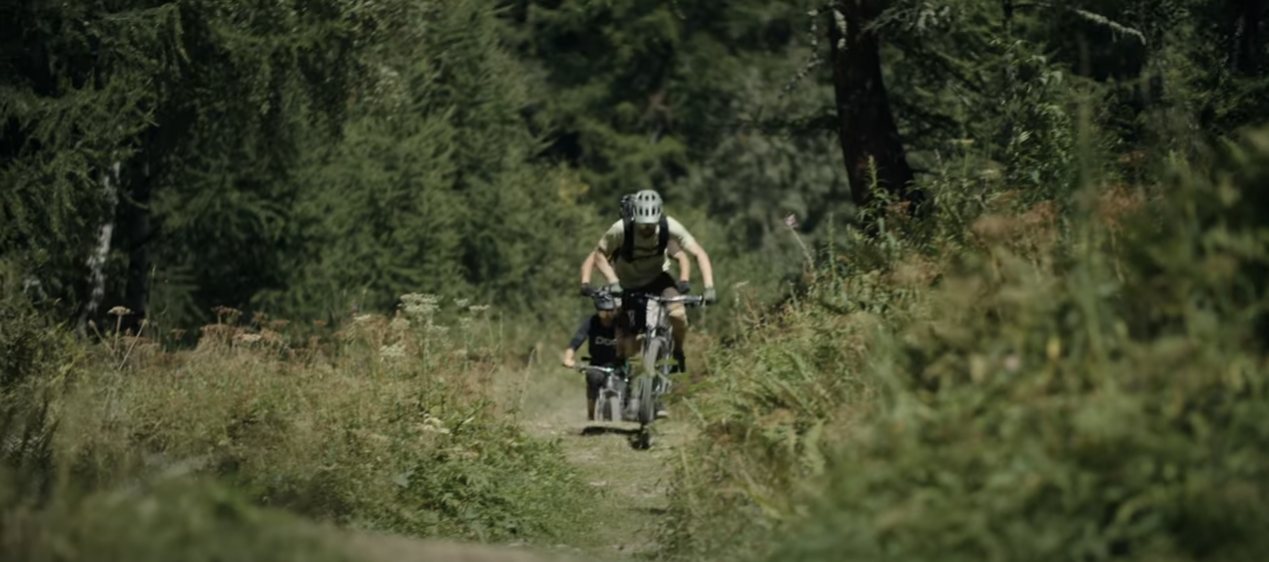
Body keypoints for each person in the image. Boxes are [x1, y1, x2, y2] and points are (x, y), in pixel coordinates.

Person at [578, 189, 716, 418]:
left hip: (658, 280)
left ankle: (677, 353)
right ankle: (635, 388)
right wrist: (612, 282)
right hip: (628, 285)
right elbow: (598, 255)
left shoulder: (670, 226)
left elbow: (697, 253)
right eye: (642, 225)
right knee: (629, 342)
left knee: (678, 315)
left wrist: (709, 287)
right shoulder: (620, 229)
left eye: (650, 225)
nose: (647, 229)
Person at [562, 290, 624, 421]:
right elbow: (576, 341)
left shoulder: (621, 324)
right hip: (598, 364)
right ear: (598, 311)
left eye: (610, 311)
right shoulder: (591, 322)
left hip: (620, 364)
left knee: (631, 383)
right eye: (603, 312)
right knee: (593, 378)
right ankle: (590, 416)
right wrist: (568, 358)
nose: (607, 316)